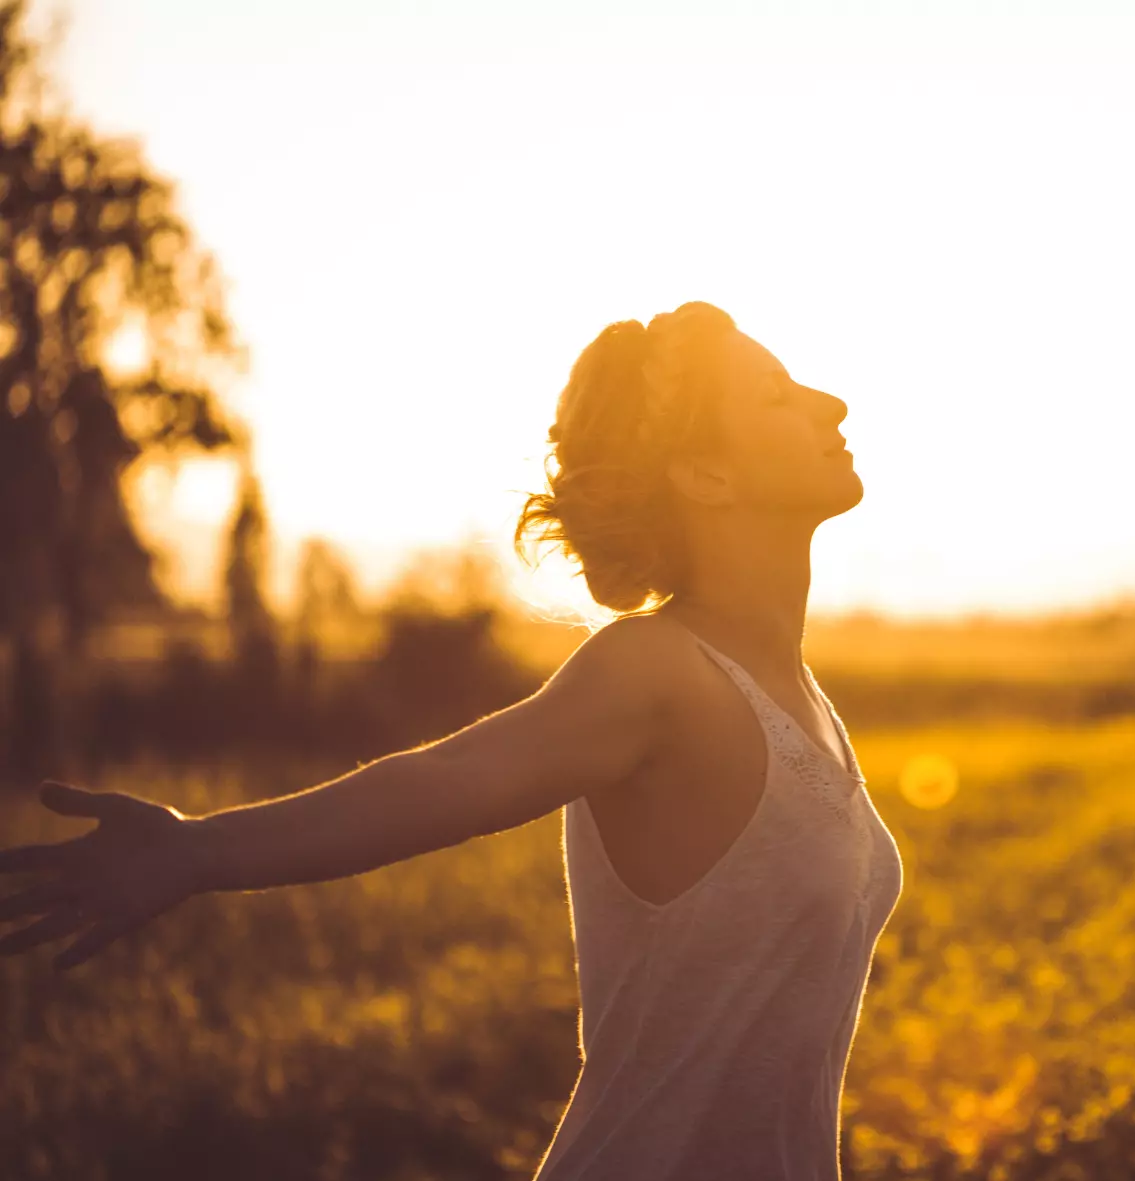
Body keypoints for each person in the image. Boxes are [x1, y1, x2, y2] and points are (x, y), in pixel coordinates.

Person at [0, 300, 904, 1181]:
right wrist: (195, 849)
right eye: (779, 396)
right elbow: (448, 777)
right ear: (705, 475)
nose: (831, 405)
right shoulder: (657, 672)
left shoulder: (801, 698)